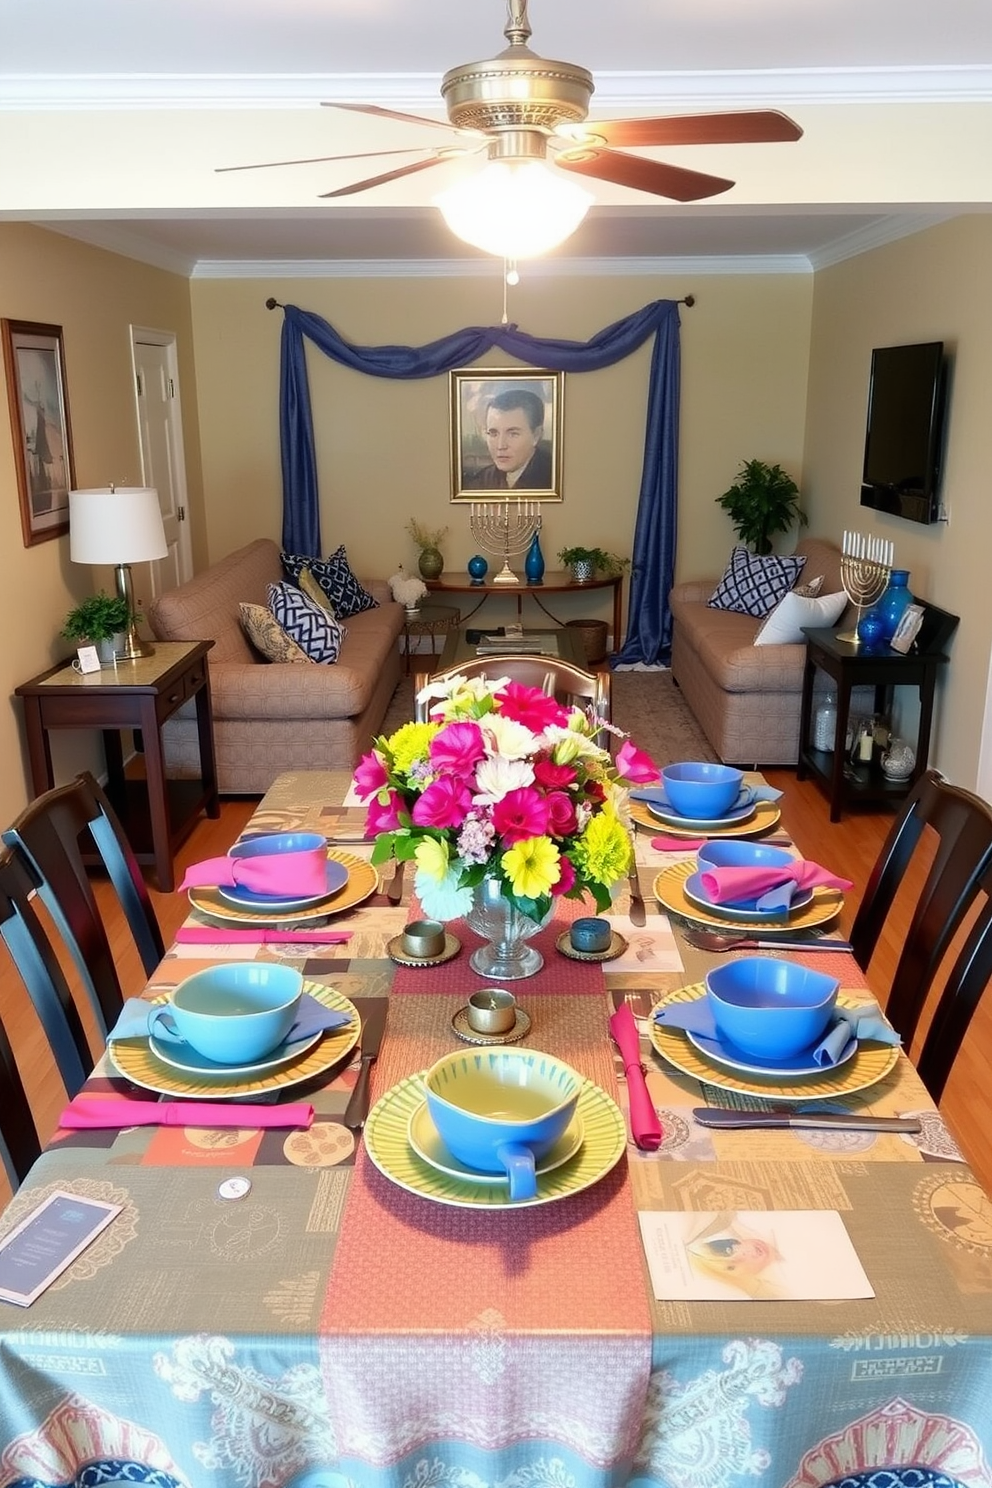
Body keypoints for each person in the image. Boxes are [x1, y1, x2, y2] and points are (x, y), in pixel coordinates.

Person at [463, 387, 553, 490]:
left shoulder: (555, 479)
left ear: (536, 435)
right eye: (494, 433)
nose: (501, 446)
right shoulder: (480, 482)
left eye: (513, 434)